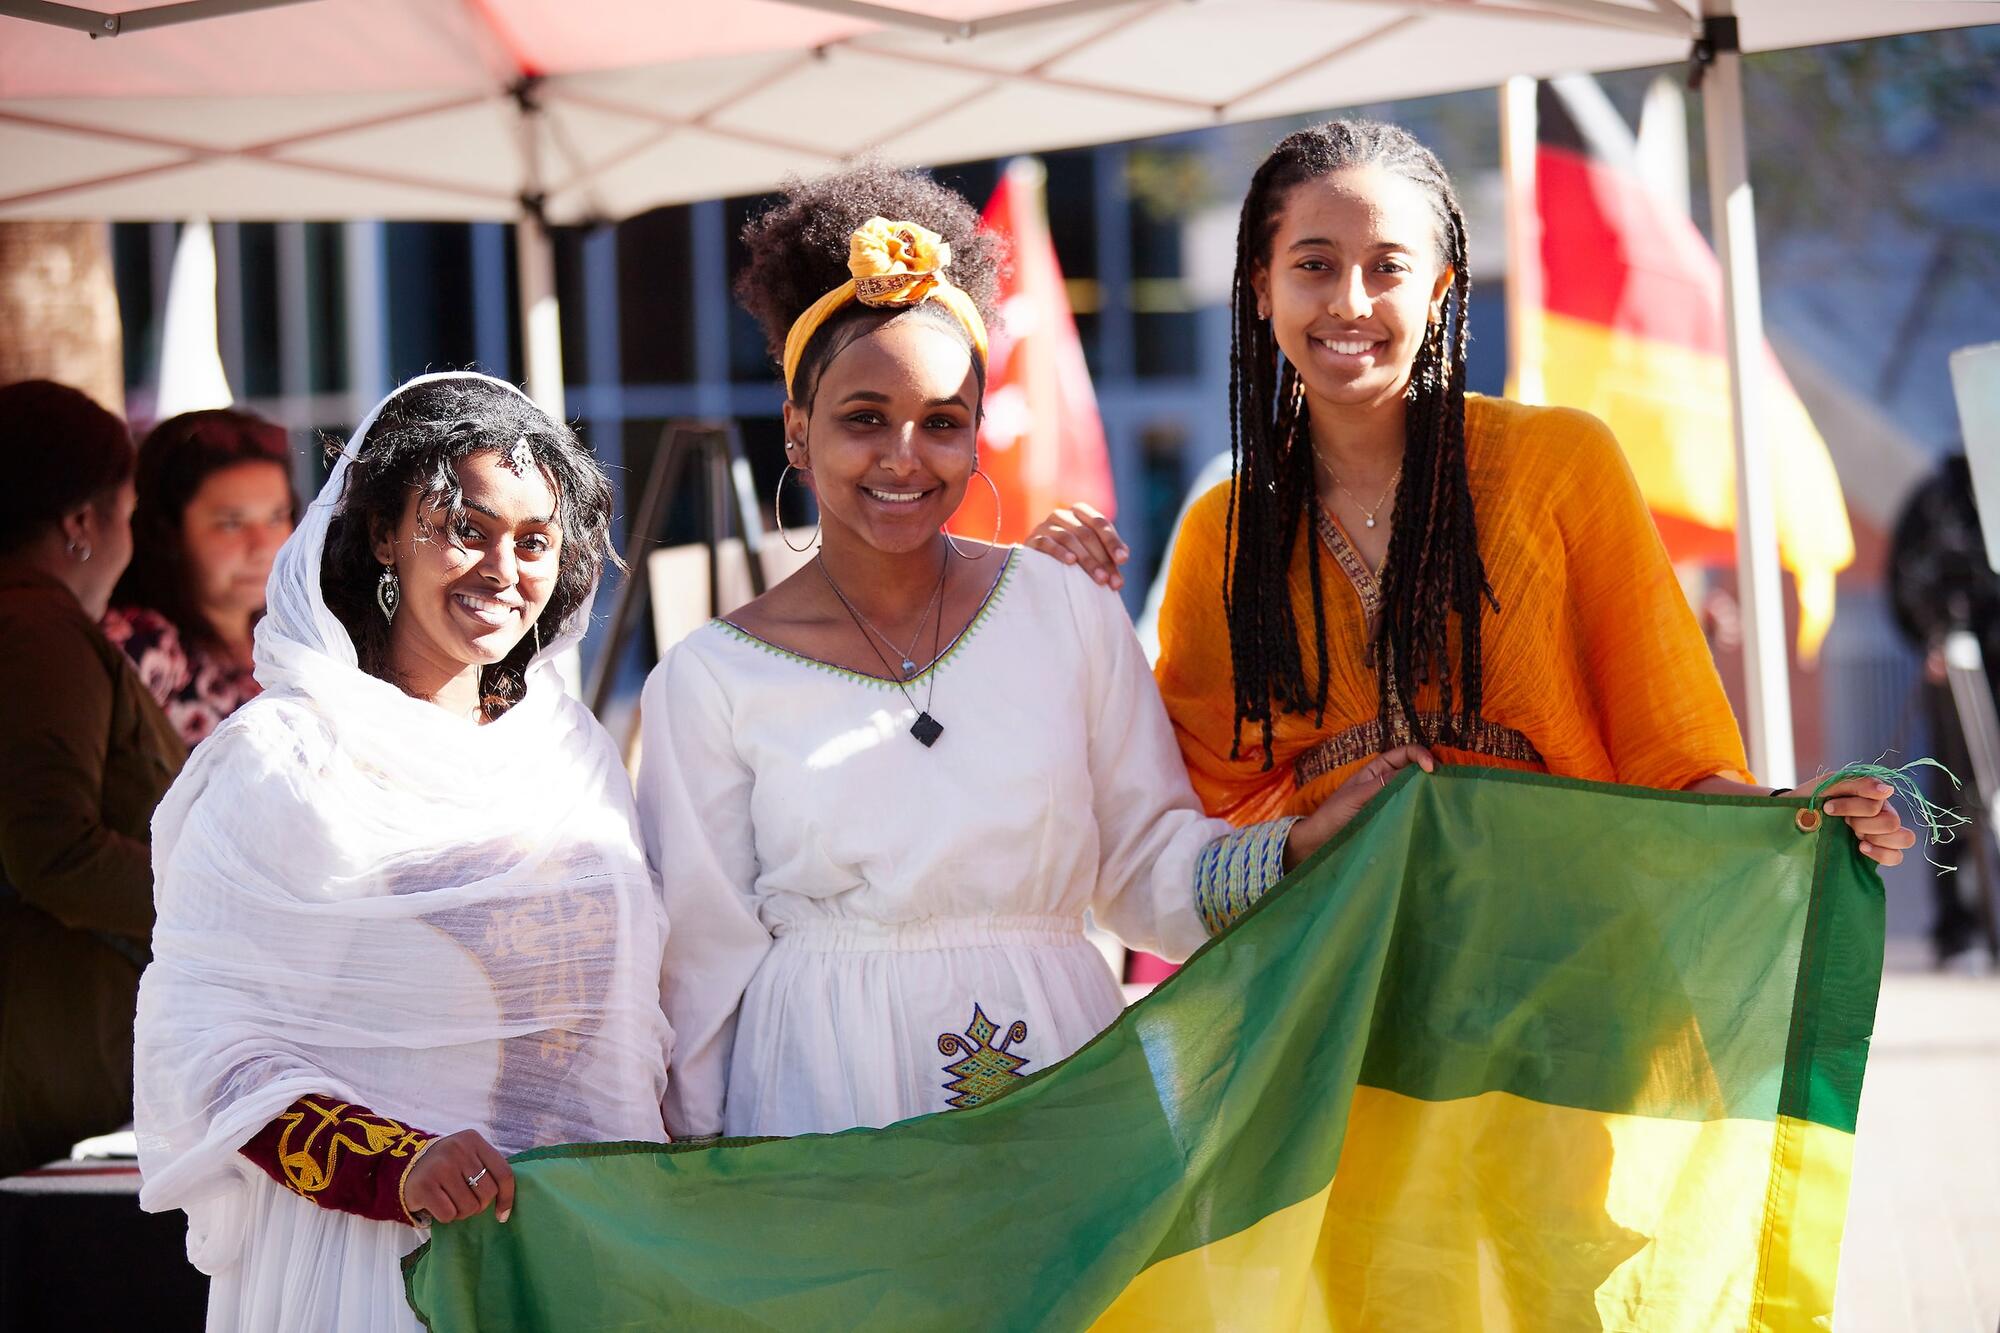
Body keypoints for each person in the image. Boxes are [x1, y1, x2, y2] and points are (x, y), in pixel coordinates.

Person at [637, 165, 1418, 1144]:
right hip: (817, 1107)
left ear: (976, 436)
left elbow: (1143, 866)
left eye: (942, 424)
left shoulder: (1066, 614)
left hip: (1060, 1082)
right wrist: (700, 1193)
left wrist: (1293, 845)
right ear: (796, 432)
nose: (903, 457)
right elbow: (702, 962)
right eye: (863, 418)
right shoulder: (711, 679)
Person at [1028, 120, 1910, 863]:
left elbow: (1672, 761)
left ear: (1442, 287)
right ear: (1261, 288)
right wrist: (1060, 597)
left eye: (1388, 267)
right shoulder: (1227, 528)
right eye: (1313, 264)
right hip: (1339, 1004)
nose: (1350, 300)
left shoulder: (1560, 463)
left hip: (1562, 970)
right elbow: (1192, 820)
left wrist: (1799, 820)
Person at [134, 373, 672, 1331]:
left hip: (566, 1248)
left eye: (535, 540)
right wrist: (400, 1165)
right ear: (383, 530)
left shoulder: (569, 749)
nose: (503, 568)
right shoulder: (285, 758)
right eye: (465, 526)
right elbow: (205, 1041)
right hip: (366, 1260)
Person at [0, 380, 183, 1179]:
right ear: (82, 522)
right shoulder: (37, 629)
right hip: (51, 1068)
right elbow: (50, 848)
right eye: (128, 507)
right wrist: (221, 900)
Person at [104, 408, 297, 748]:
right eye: (231, 524)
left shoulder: (301, 633)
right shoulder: (142, 652)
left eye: (276, 517)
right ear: (168, 532)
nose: (262, 546)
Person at [1888, 451, 1999, 964]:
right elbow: (1905, 580)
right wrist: (1932, 635)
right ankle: (1959, 930)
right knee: (1956, 795)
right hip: (1956, 666)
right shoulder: (1938, 501)